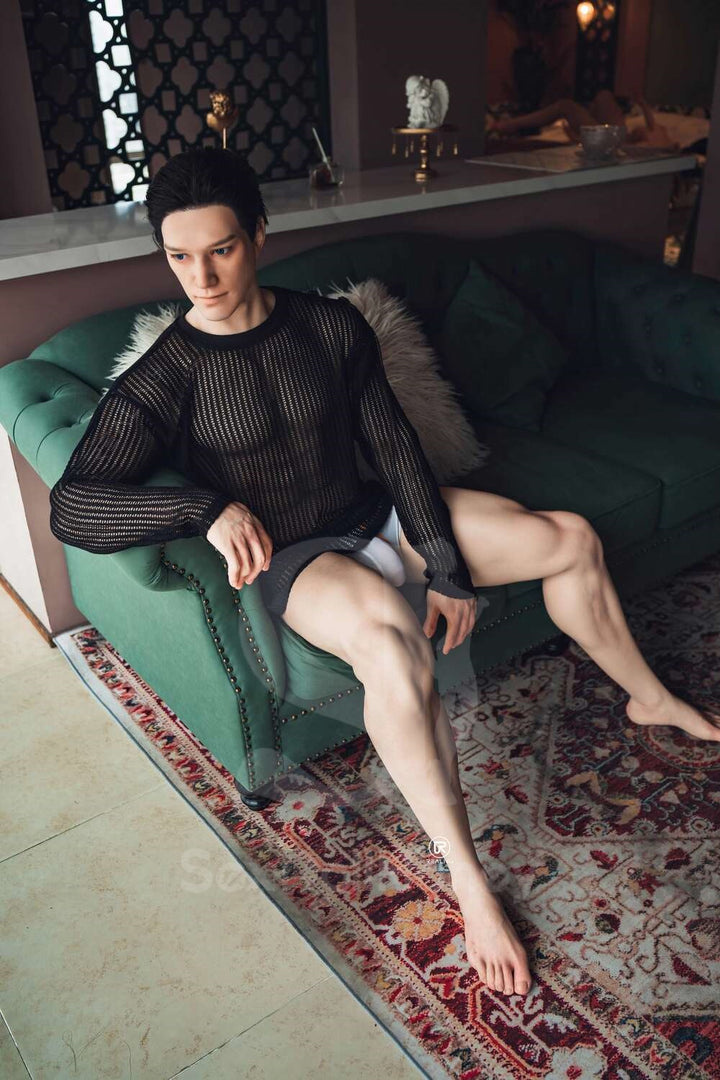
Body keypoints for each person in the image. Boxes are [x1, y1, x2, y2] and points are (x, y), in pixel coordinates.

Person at [49, 148, 720, 1001]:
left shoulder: (329, 326)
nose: (201, 278)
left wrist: (445, 563)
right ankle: (468, 879)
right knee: (396, 652)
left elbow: (395, 445)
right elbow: (74, 507)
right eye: (180, 256)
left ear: (258, 235)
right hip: (301, 558)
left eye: (219, 249)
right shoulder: (165, 376)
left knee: (569, 538)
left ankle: (648, 697)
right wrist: (203, 509)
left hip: (379, 514)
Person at [487, 88, 682, 151]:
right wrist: (643, 104)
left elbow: (624, 150)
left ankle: (507, 126)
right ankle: (507, 126)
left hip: (612, 140)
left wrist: (579, 139)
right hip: (613, 136)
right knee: (603, 95)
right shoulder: (658, 133)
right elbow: (651, 124)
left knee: (565, 106)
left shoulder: (658, 147)